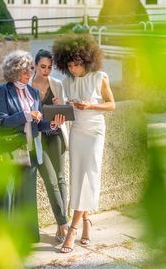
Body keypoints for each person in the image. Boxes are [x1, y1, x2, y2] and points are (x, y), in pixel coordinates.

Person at [0, 50, 65, 242]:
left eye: (30, 69)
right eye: (24, 70)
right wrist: (26, 115)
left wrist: (53, 124)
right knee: (6, 197)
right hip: (9, 152)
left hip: (30, 151)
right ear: (13, 71)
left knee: (27, 197)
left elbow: (38, 124)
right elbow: (1, 123)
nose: (29, 73)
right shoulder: (1, 91)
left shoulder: (33, 92)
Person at [52, 35, 116, 253]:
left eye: (77, 64)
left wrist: (90, 105)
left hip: (95, 132)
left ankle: (73, 230)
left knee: (90, 174)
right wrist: (63, 106)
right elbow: (68, 109)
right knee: (78, 177)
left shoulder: (100, 77)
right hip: (77, 132)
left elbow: (112, 105)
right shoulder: (67, 81)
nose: (73, 68)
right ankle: (87, 222)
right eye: (69, 65)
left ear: (87, 60)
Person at [31, 49, 70, 243]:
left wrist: (59, 105)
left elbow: (63, 113)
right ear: (35, 65)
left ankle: (60, 226)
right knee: (51, 180)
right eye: (42, 67)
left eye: (49, 67)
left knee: (61, 178)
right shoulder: (27, 86)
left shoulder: (57, 84)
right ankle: (64, 222)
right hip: (38, 138)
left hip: (56, 135)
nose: (46, 71)